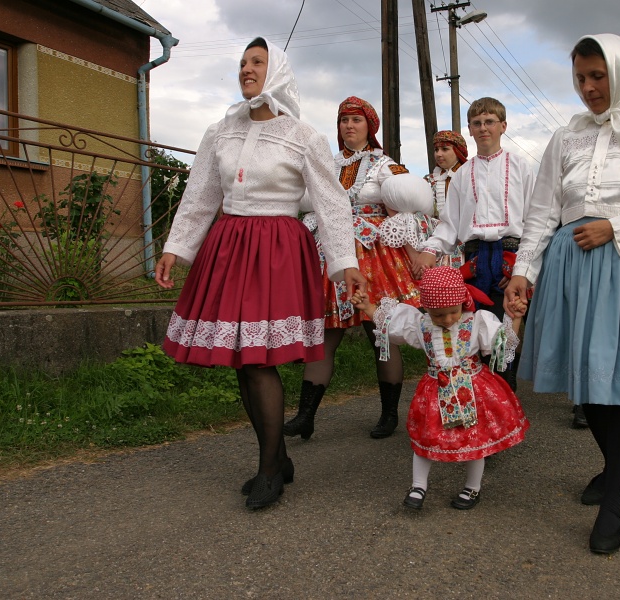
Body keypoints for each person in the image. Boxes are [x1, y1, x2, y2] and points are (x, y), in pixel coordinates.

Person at [154, 38, 365, 510]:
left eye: (257, 62)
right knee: (241, 358)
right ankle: (278, 457)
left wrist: (344, 262)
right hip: (228, 247)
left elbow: (332, 204)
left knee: (257, 361)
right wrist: (176, 249)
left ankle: (270, 468)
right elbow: (200, 195)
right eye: (242, 63)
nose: (246, 69)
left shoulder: (303, 136)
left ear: (278, 72)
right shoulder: (220, 131)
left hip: (276, 251)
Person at [504, 34, 620, 554]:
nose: (587, 87)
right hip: (571, 266)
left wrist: (617, 227)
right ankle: (614, 470)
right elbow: (541, 211)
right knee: (585, 379)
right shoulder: (566, 138)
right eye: (580, 77)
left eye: (597, 76)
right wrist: (524, 271)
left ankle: (613, 504)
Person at [283, 96, 416, 441]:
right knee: (326, 332)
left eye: (356, 120)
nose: (349, 126)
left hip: (374, 257)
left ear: (370, 127)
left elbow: (405, 207)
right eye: (344, 120)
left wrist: (416, 255)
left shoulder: (384, 164)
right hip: (333, 254)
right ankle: (305, 416)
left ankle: (389, 414)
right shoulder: (326, 164)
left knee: (380, 332)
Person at [352, 267, 529, 511]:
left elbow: (502, 344)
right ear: (426, 308)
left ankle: (472, 487)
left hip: (471, 389)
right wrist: (369, 307)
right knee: (426, 436)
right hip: (434, 390)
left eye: (453, 312)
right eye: (438, 315)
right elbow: (392, 325)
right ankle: (418, 486)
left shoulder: (477, 321)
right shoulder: (420, 324)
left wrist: (515, 319)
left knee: (475, 439)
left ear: (463, 302)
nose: (446, 320)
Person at [414, 97, 536, 391]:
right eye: (477, 123)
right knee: (477, 333)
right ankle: (485, 400)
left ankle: (506, 398)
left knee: (508, 330)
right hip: (476, 260)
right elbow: (449, 224)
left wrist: (524, 267)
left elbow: (535, 220)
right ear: (469, 129)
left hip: (512, 256)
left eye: (490, 122)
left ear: (503, 126)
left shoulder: (522, 167)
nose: (483, 128)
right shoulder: (462, 175)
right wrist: (430, 250)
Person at [426, 130, 468, 220]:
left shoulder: (470, 176)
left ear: (458, 152)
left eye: (444, 149)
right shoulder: (429, 180)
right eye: (436, 150)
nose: (438, 154)